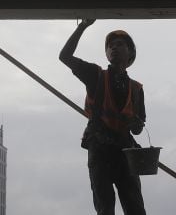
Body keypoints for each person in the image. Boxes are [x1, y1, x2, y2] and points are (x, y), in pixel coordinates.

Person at [59, 19, 147, 215]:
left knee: (135, 208)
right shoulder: (95, 75)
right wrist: (82, 27)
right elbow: (65, 56)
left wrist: (135, 123)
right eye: (110, 46)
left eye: (120, 45)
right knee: (105, 206)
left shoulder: (136, 88)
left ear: (130, 53)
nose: (114, 48)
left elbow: (138, 128)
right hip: (100, 149)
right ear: (106, 54)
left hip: (125, 151)